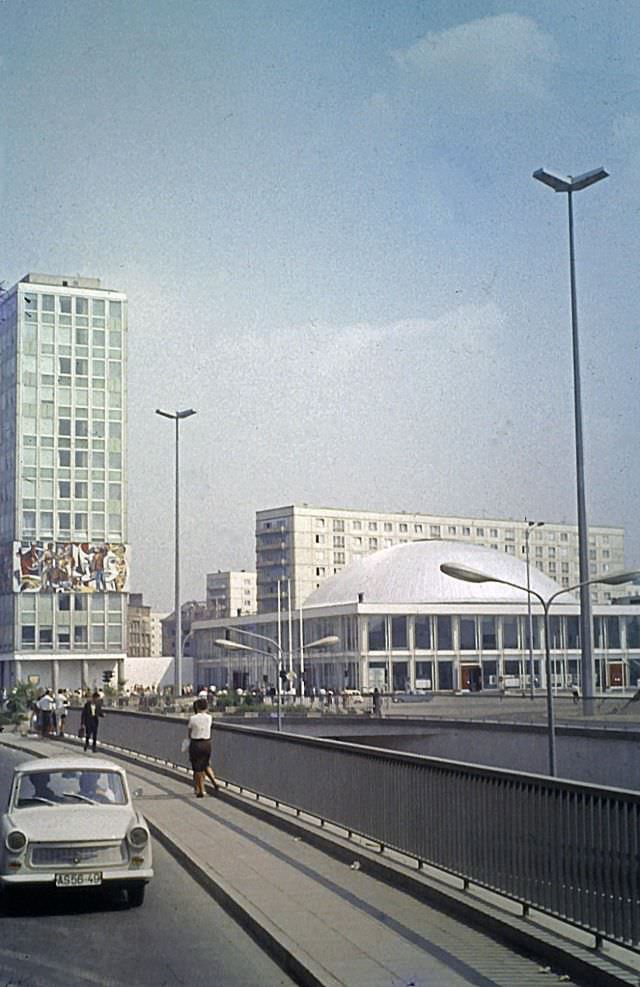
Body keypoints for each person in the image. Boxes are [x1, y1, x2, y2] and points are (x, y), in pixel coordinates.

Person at [186, 697, 219, 798]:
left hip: (196, 744)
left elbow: (189, 733)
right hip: (207, 743)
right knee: (205, 764)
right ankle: (214, 781)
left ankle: (201, 789)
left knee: (197, 768)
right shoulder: (209, 718)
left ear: (196, 707)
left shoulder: (192, 718)